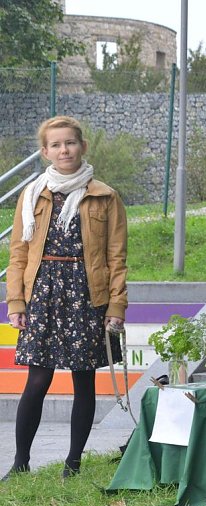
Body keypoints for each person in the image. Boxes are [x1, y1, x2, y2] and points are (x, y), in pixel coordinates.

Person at [3, 115, 128, 480]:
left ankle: (72, 464)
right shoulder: (32, 195)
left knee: (83, 378)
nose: (64, 149)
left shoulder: (105, 196)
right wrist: (16, 303)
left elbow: (116, 257)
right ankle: (20, 462)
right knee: (37, 380)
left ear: (82, 146)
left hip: (86, 292)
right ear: (45, 151)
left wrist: (116, 306)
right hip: (41, 291)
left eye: (70, 142)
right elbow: (18, 253)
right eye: (56, 144)